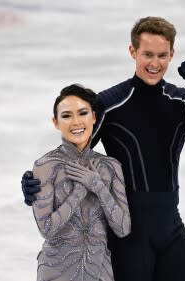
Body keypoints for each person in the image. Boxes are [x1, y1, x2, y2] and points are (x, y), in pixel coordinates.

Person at [22, 16, 185, 281]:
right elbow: (75, 152)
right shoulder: (111, 103)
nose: (155, 63)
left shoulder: (181, 100)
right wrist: (37, 184)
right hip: (128, 234)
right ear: (133, 52)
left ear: (172, 54)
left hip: (170, 225)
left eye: (162, 55)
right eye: (147, 54)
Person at [30, 84, 131, 281]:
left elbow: (123, 228)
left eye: (82, 113)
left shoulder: (110, 167)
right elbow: (47, 229)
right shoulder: (46, 166)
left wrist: (98, 187)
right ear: (56, 122)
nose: (76, 122)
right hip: (56, 271)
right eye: (67, 115)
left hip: (100, 270)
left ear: (93, 117)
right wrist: (77, 194)